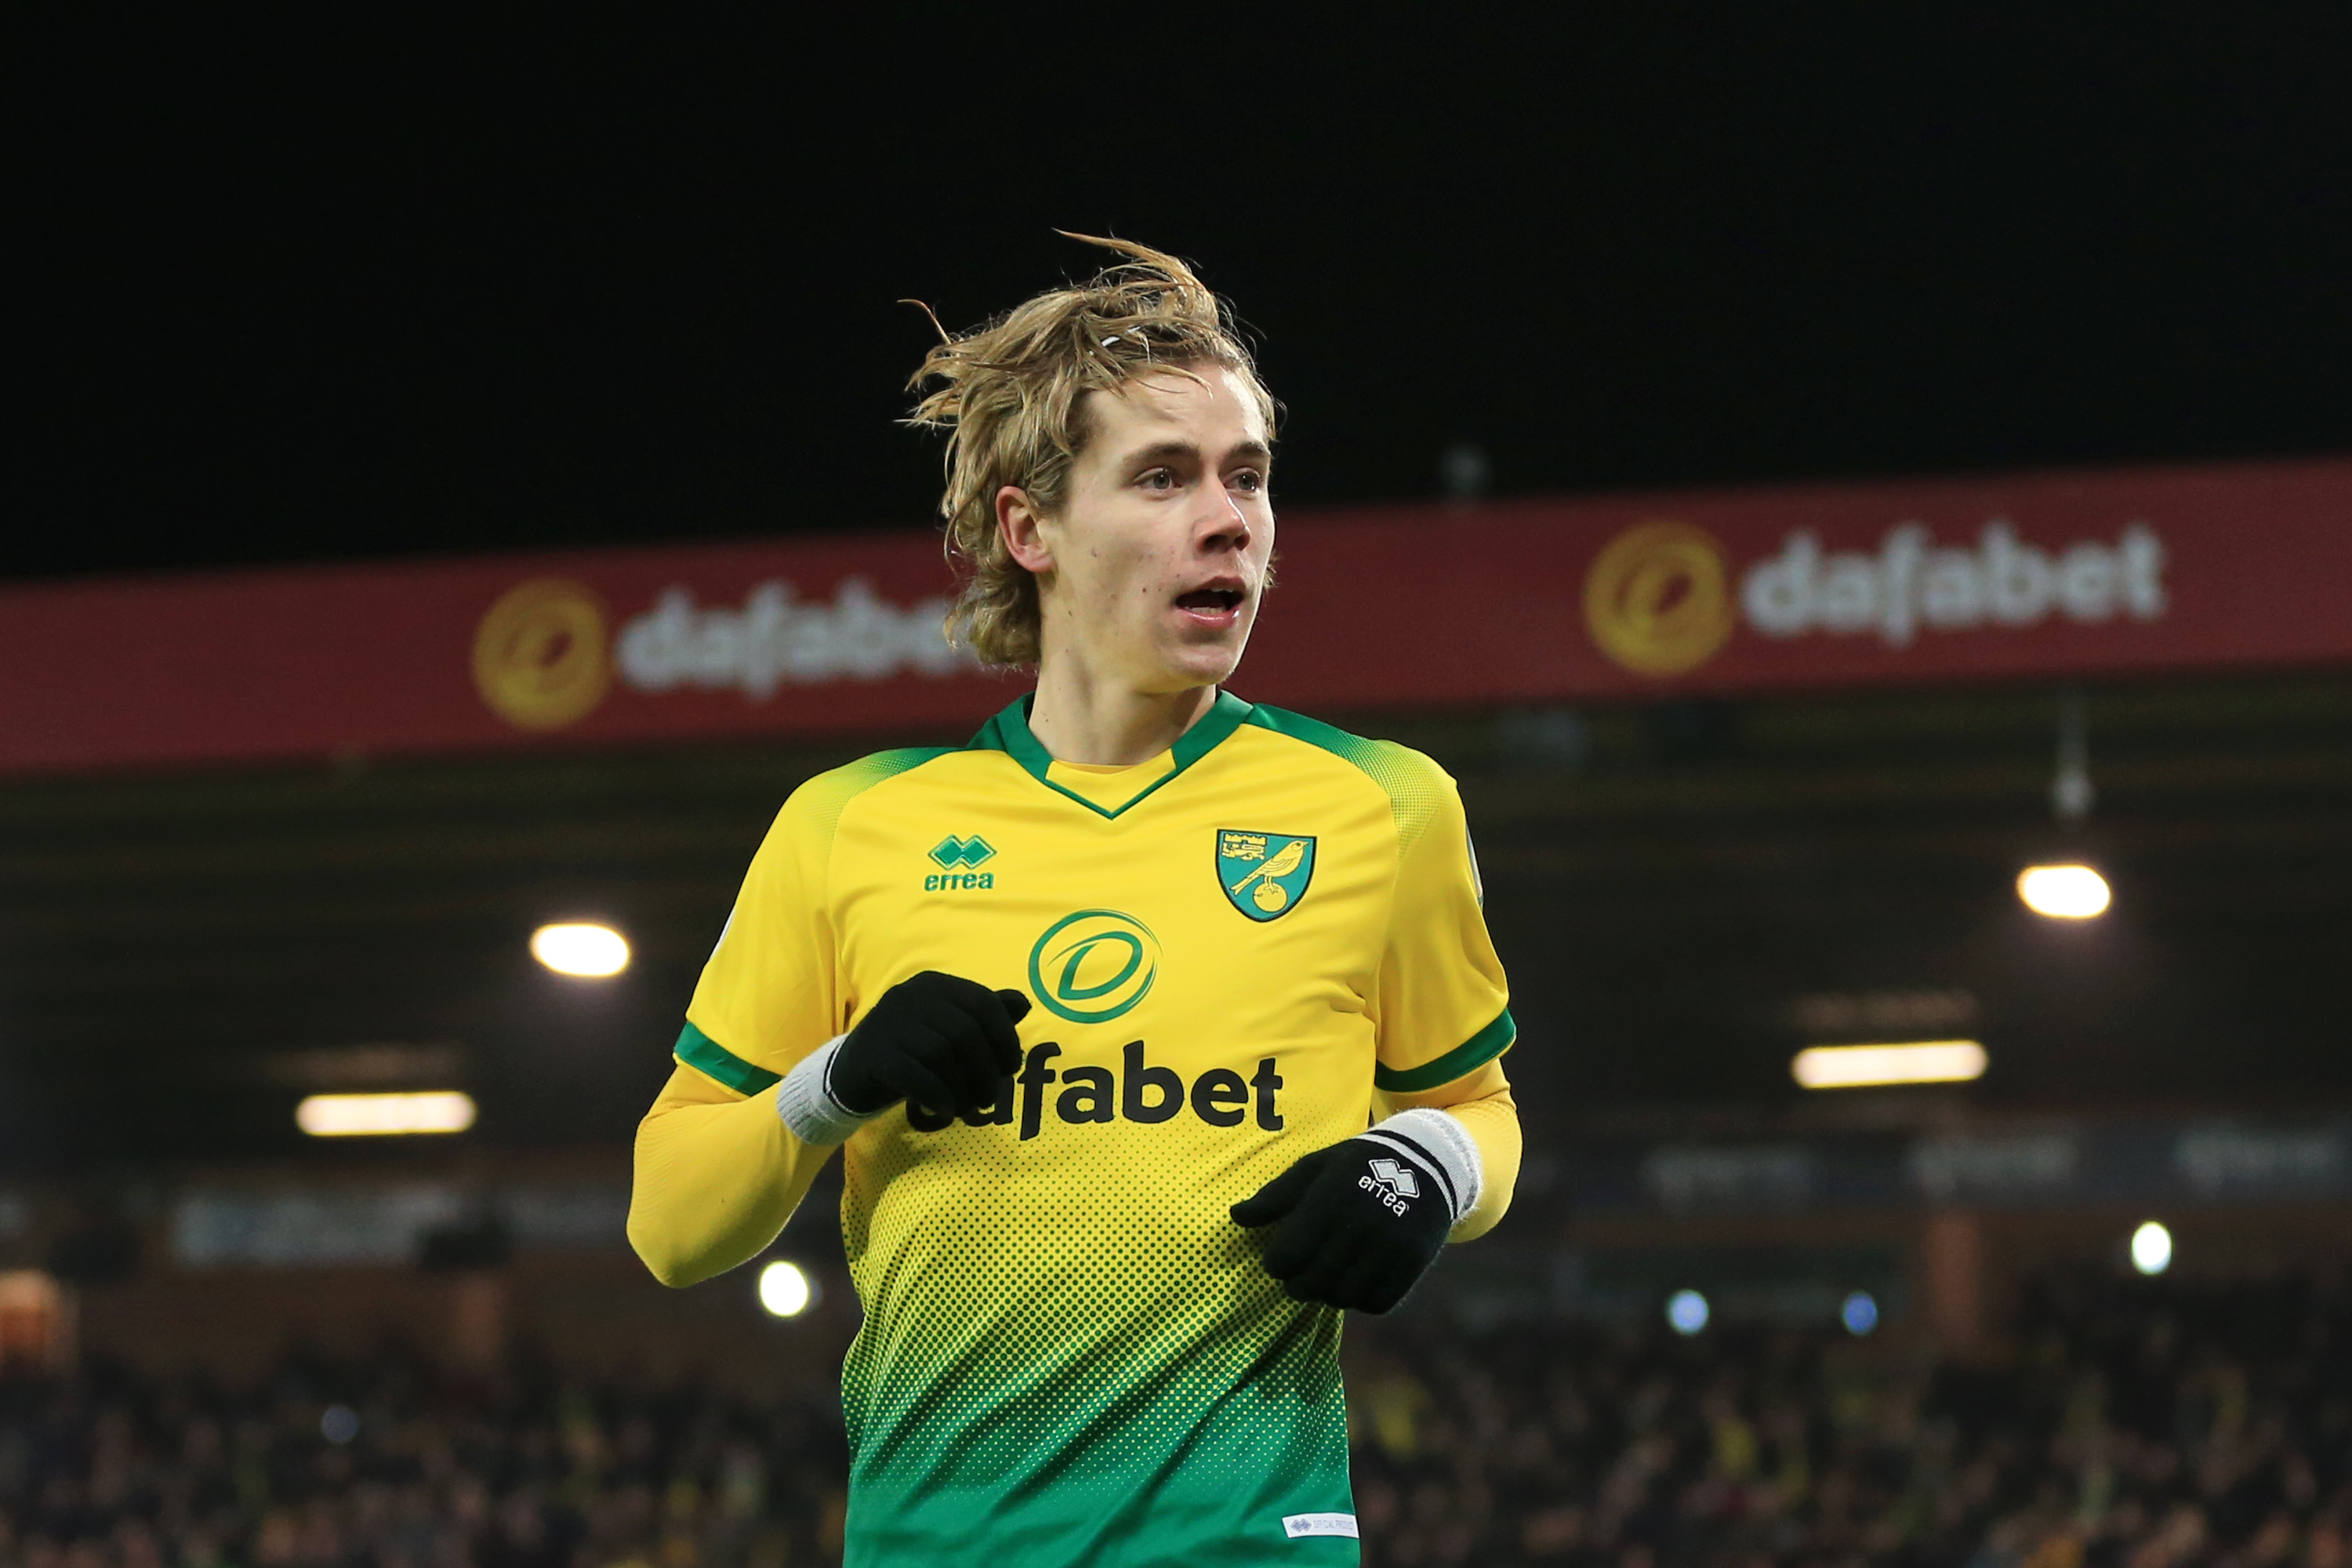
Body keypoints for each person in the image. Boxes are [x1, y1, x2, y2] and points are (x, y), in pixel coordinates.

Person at [626, 236, 1522, 1566]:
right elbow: (669, 1227)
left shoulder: (1383, 807)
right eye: (1162, 477)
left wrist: (1427, 1166)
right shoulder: (850, 827)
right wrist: (835, 1083)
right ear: (1028, 528)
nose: (1229, 519)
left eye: (1247, 476)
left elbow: (1481, 1108)